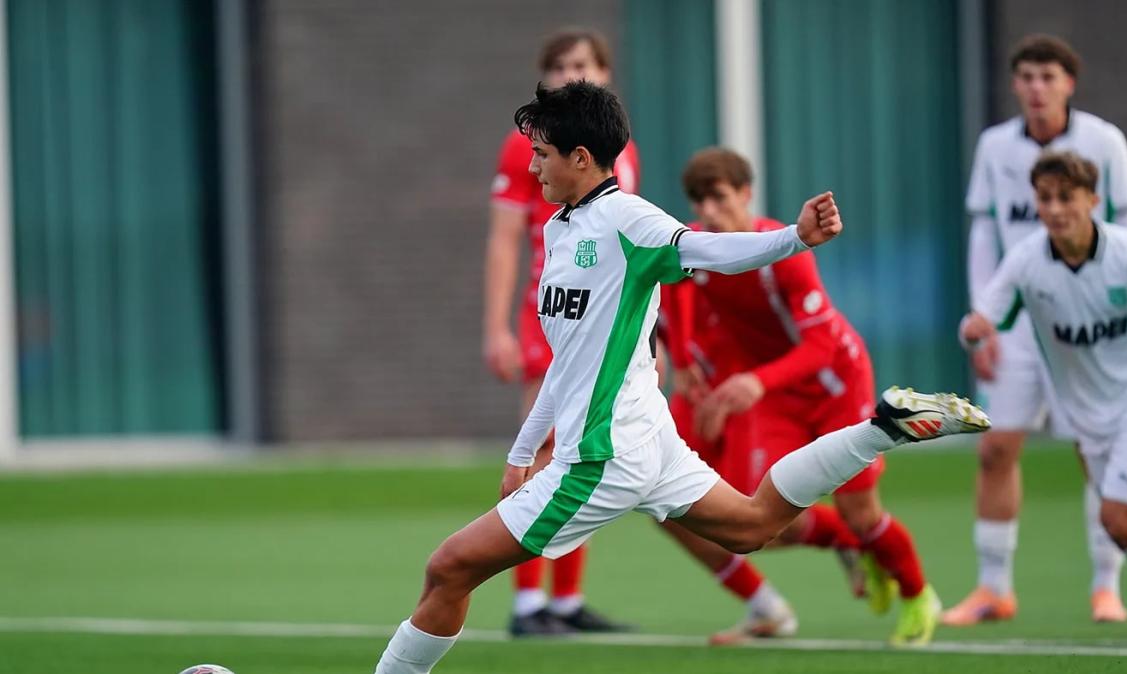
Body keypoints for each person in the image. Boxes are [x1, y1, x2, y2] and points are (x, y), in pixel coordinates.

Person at [373, 81, 990, 674]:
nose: (532, 167)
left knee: (449, 568)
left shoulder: (628, 219)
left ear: (581, 158)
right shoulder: (561, 228)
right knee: (752, 525)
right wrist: (522, 452)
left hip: (602, 458)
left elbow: (710, 249)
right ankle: (884, 429)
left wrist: (794, 238)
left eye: (541, 154)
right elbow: (569, 358)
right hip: (647, 441)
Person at [656, 148, 940, 647]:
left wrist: (755, 383)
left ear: (746, 193)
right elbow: (674, 282)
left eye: (719, 198)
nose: (709, 212)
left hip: (835, 383)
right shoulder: (700, 246)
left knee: (861, 513)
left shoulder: (781, 254)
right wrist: (682, 358)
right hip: (776, 392)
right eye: (699, 201)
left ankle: (919, 596)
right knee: (752, 517)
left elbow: (822, 345)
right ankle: (849, 545)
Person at [945, 34, 1127, 626]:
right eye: (1028, 77)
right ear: (1015, 84)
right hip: (1017, 325)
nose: (1037, 88)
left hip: (1087, 323)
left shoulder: (1104, 141)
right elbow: (985, 231)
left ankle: (1106, 587)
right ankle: (993, 589)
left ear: (1069, 84)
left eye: (1048, 77)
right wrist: (985, 318)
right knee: (995, 448)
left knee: (1094, 450)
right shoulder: (995, 146)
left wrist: (1123, 306)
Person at [960, 150, 1127, 644]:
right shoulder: (1027, 261)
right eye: (1045, 198)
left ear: (1093, 200)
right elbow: (982, 319)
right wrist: (973, 332)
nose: (1054, 209)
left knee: (1119, 520)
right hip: (1088, 417)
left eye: (1066, 197)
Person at [482, 28, 638, 636]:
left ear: (605, 72)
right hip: (547, 314)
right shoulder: (526, 146)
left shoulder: (619, 148)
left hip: (605, 321)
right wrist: (496, 327)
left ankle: (567, 600)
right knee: (543, 447)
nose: (572, 75)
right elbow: (503, 240)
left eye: (584, 64)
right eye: (560, 66)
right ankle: (527, 602)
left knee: (587, 448)